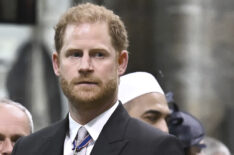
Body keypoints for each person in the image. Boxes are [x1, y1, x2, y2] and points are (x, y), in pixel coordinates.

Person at [12, 3, 185, 155]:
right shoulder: (28, 148)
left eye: (99, 55)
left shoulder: (156, 148)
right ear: (57, 64)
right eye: (75, 54)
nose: (85, 66)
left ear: (121, 62)